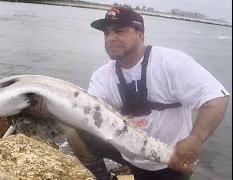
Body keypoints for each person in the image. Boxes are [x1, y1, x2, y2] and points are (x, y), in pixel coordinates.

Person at [30, 7, 230, 180]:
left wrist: (195, 140)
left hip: (170, 161)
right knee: (76, 135)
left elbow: (216, 97)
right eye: (106, 33)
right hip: (126, 153)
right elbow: (86, 117)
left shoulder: (171, 62)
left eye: (119, 31)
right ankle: (103, 177)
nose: (111, 38)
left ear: (140, 35)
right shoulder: (102, 76)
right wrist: (51, 113)